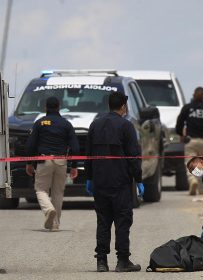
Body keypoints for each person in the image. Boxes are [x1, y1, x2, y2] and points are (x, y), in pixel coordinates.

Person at [85, 92, 143, 273]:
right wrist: (139, 179)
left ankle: (101, 262)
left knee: (103, 221)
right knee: (122, 221)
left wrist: (89, 177)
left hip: (100, 182)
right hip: (120, 182)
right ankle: (123, 261)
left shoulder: (95, 125)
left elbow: (88, 155)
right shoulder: (126, 126)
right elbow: (133, 156)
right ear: (123, 106)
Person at [25, 96, 79, 231]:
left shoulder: (40, 123)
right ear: (59, 107)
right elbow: (75, 147)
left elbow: (30, 145)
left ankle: (48, 209)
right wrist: (74, 165)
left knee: (41, 189)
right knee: (58, 193)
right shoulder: (66, 124)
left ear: (45, 108)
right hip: (61, 161)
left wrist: (29, 163)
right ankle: (55, 224)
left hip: (44, 160)